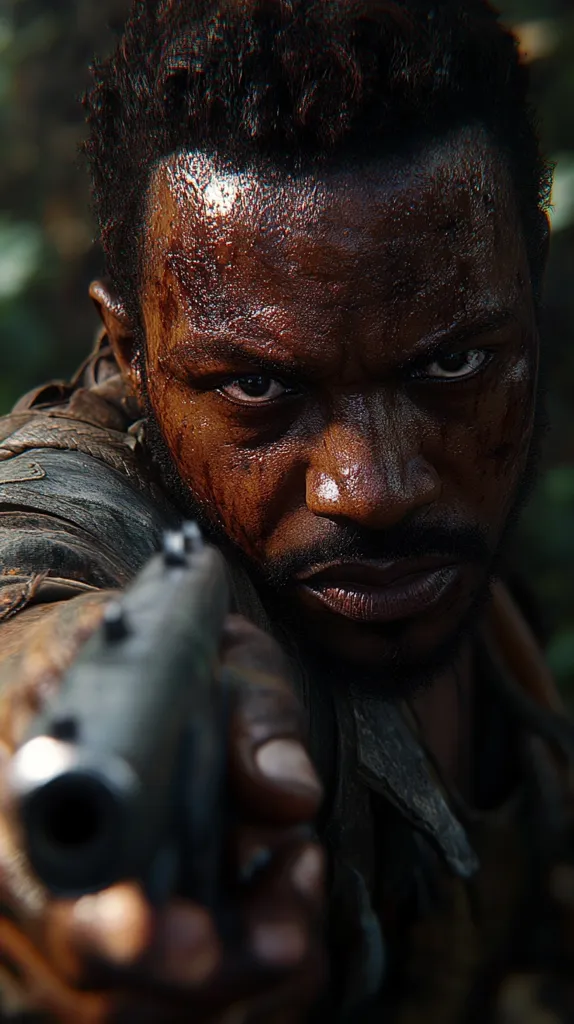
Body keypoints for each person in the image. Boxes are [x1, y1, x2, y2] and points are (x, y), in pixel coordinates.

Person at [0, 0, 573, 1020]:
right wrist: (41, 706)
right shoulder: (90, 505)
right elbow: (31, 575)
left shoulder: (472, 589)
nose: (372, 489)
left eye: (448, 363)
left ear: (528, 287)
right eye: (257, 390)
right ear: (132, 356)